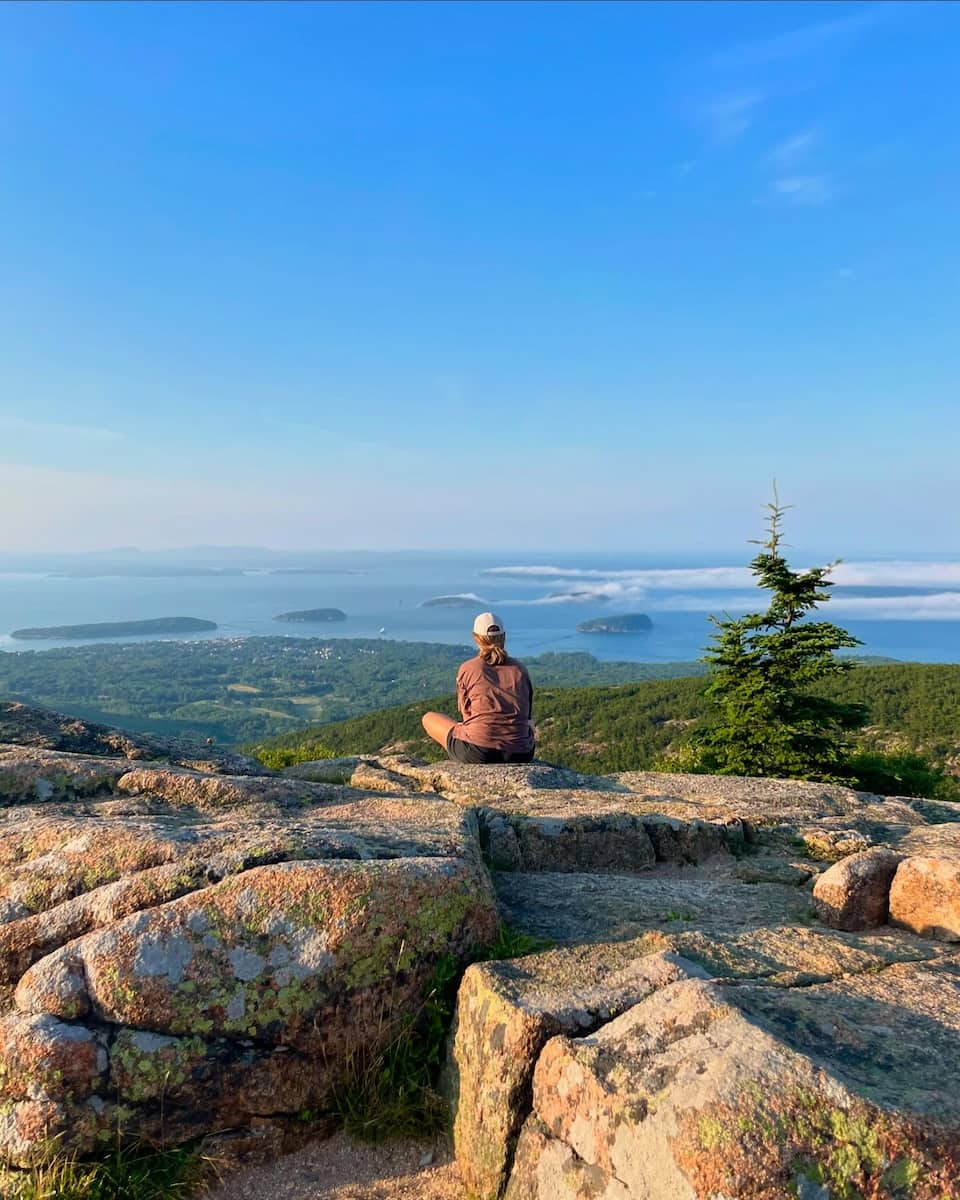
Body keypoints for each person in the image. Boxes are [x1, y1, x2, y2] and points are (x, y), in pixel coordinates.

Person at [421, 612, 535, 764]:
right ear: (504, 637)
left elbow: (466, 714)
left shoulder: (468, 668)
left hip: (478, 751)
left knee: (428, 718)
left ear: (475, 638)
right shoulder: (520, 669)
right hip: (521, 752)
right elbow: (527, 717)